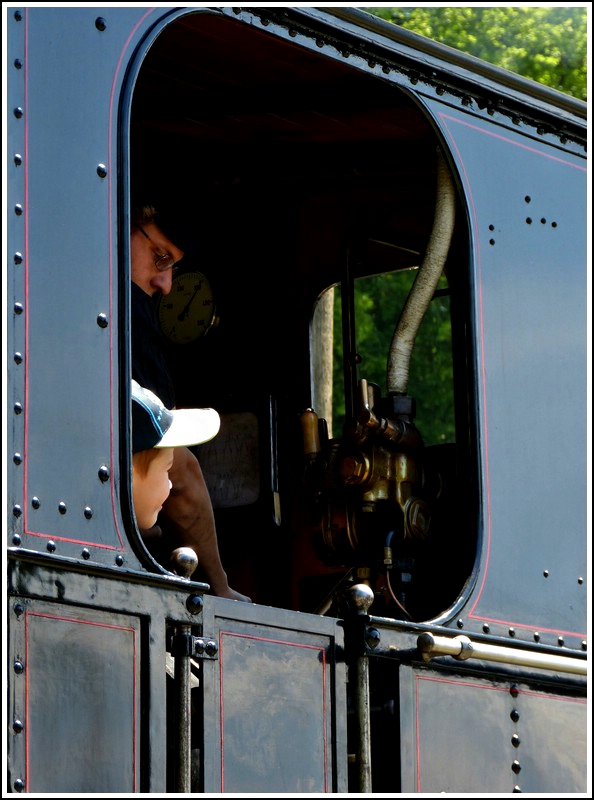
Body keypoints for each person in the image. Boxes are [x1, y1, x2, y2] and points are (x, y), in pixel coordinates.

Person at [130, 204, 251, 602]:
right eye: (159, 257)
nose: (165, 284)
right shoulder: (125, 307)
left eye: (172, 267)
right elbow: (175, 465)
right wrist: (219, 589)